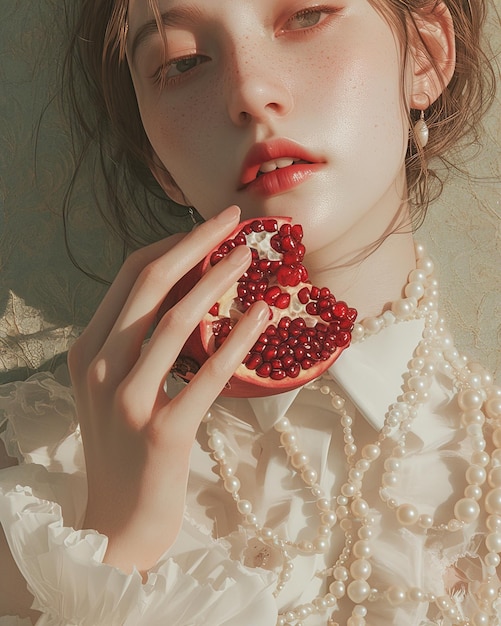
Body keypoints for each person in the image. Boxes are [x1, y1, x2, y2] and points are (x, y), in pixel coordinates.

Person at [0, 0, 499, 624]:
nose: (250, 91)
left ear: (424, 54)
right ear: (160, 161)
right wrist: (112, 546)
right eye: (181, 62)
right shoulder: (37, 491)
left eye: (308, 16)